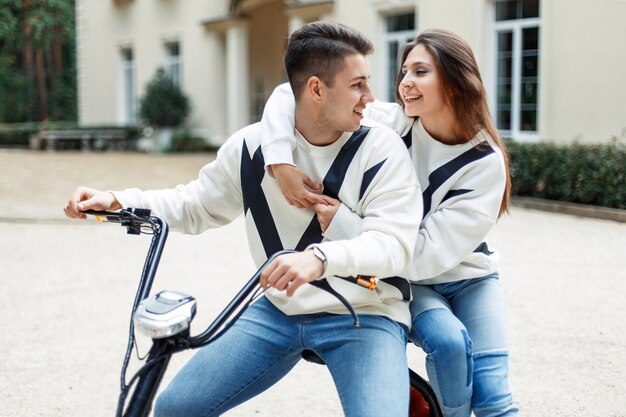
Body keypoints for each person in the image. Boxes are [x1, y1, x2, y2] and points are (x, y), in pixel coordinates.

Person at [64, 22, 423, 417]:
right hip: (279, 311)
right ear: (317, 89)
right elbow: (194, 204)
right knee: (173, 410)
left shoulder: (382, 149)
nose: (370, 98)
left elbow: (395, 244)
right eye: (358, 85)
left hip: (366, 314)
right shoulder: (251, 147)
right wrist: (117, 199)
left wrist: (319, 258)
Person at [259, 28, 519, 417]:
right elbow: (287, 95)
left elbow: (424, 254)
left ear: (455, 81)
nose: (404, 84)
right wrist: (279, 162)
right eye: (404, 72)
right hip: (409, 283)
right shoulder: (393, 122)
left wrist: (343, 224)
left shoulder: (485, 161)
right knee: (448, 343)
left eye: (420, 72)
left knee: (495, 395)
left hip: (468, 277)